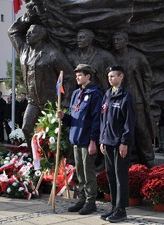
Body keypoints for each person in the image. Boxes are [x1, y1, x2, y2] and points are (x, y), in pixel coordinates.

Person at [8, 15, 76, 150]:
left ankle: (59, 162)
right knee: (27, 129)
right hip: (33, 101)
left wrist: (65, 99)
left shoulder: (53, 54)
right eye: (27, 32)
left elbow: (69, 76)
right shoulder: (24, 51)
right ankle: (36, 160)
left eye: (32, 32)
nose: (27, 35)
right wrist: (25, 19)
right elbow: (12, 32)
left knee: (55, 133)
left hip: (51, 101)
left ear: (41, 36)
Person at [56, 64, 103, 215]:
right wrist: (64, 117)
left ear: (88, 76)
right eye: (76, 75)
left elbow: (96, 120)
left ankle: (91, 202)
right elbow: (74, 118)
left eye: (80, 75)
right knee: (80, 174)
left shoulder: (95, 94)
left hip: (87, 139)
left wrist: (93, 141)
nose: (77, 77)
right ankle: (82, 199)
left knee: (88, 173)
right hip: (76, 138)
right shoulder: (76, 93)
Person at [112, 31, 154, 166]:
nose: (116, 42)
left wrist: (146, 93)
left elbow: (147, 75)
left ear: (126, 41)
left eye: (119, 39)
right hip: (118, 99)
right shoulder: (112, 58)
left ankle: (148, 159)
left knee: (141, 129)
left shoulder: (137, 57)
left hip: (136, 99)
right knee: (121, 129)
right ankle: (127, 159)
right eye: (115, 39)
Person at [99, 65, 135, 223]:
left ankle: (121, 210)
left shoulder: (126, 95)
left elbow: (129, 121)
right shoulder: (107, 94)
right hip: (107, 142)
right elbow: (103, 120)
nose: (110, 79)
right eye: (109, 76)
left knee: (121, 176)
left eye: (113, 76)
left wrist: (124, 142)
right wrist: (102, 139)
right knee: (111, 175)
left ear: (121, 77)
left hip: (119, 143)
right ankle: (114, 206)